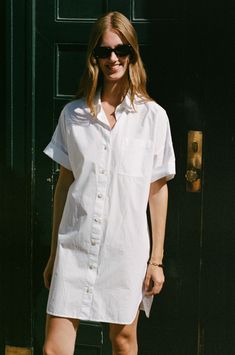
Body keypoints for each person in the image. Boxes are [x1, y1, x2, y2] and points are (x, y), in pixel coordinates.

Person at [43, 11, 175, 355]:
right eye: (104, 51)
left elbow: (157, 190)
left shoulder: (153, 118)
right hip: (75, 244)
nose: (113, 58)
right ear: (94, 57)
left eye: (121, 49)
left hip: (125, 248)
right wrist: (55, 253)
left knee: (124, 340)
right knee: (55, 346)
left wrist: (156, 261)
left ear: (132, 54)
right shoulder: (73, 116)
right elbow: (64, 185)